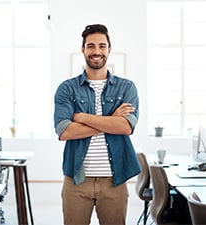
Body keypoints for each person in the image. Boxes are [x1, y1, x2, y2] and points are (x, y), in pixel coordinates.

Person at [53, 24, 141, 225]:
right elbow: (65, 131)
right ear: (83, 49)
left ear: (109, 49)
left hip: (115, 180)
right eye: (91, 46)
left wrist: (81, 117)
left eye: (102, 46)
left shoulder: (126, 87)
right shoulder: (67, 89)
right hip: (76, 180)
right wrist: (112, 119)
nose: (96, 51)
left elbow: (125, 127)